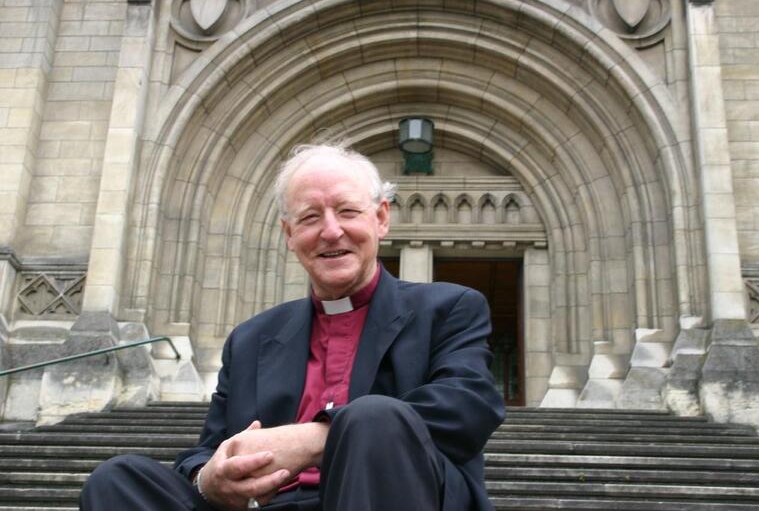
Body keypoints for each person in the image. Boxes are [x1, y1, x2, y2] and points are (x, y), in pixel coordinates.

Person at [79, 143, 505, 511]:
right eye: (309, 218)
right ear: (288, 233)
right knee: (118, 480)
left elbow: (467, 408)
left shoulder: (449, 307)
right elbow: (207, 450)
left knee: (375, 416)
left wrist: (317, 437)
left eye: (347, 211)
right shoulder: (250, 339)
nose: (331, 231)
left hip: (392, 494)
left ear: (381, 218)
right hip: (265, 504)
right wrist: (208, 478)